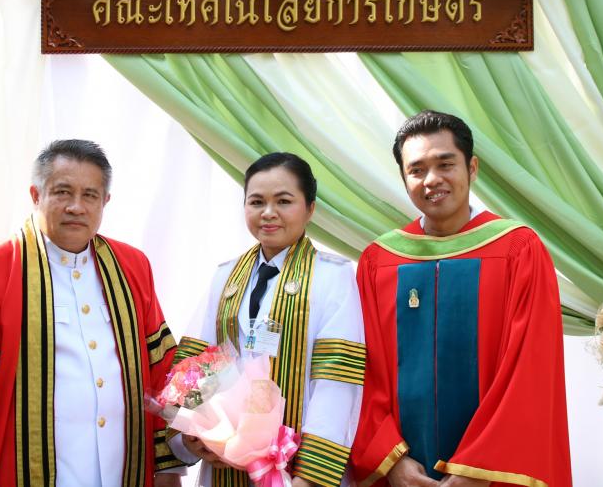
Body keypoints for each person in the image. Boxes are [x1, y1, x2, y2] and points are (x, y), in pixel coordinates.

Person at [0, 139, 185, 487]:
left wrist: (168, 465)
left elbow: (162, 370)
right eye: (62, 192)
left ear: (105, 201)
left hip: (124, 472)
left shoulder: (133, 266)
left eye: (90, 195)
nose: (76, 207)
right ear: (36, 194)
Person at [350, 111, 572, 487]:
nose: (432, 179)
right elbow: (364, 371)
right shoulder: (379, 261)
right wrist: (392, 461)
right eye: (417, 170)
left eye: (445, 164)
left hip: (493, 475)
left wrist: (477, 469)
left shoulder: (518, 249)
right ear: (404, 179)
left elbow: (529, 369)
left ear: (472, 168)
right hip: (404, 475)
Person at [169, 152, 365, 486]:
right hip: (225, 461)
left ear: (310, 208)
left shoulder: (333, 277)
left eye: (284, 201)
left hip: (296, 469)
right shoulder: (226, 276)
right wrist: (193, 434)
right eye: (257, 201)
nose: (268, 213)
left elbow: (336, 384)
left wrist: (310, 478)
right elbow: (198, 363)